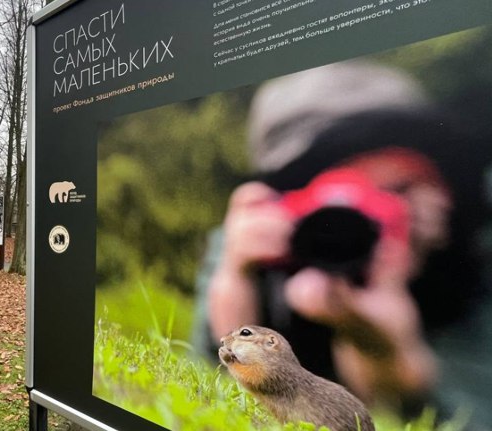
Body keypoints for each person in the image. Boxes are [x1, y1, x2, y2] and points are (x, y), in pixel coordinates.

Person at [193, 61, 492, 424]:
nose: (363, 220)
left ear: (441, 190)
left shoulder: (475, 250)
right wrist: (235, 288)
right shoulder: (257, 248)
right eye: (341, 201)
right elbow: (200, 390)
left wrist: (395, 361)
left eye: (398, 190)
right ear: (286, 206)